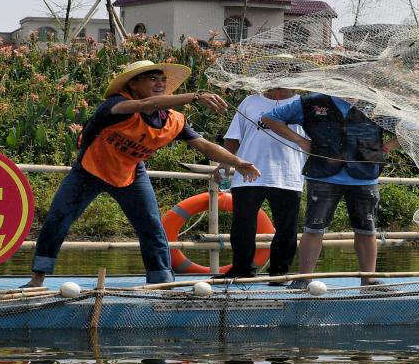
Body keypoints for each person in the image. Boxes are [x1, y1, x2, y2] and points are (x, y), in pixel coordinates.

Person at [25, 60, 261, 287]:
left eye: (162, 80)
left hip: (131, 173)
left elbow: (204, 145)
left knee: (151, 226)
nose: (159, 83)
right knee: (58, 218)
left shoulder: (173, 119)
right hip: (89, 171)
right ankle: (38, 278)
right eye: (152, 79)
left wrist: (238, 161)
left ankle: (161, 282)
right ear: (133, 85)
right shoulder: (115, 105)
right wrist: (195, 96)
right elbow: (141, 106)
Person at [261, 93, 397, 290]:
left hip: (365, 174)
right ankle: (304, 278)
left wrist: (386, 147)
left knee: (367, 230)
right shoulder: (311, 102)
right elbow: (270, 118)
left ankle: (369, 280)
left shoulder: (378, 104)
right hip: (322, 174)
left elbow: (410, 128)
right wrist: (301, 141)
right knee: (313, 228)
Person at [219, 86, 305, 283]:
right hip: (248, 171)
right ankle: (241, 269)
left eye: (289, 71)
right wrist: (224, 163)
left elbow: (314, 139)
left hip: (288, 173)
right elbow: (233, 136)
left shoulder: (304, 104)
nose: (281, 77)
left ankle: (279, 272)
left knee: (287, 227)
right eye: (274, 69)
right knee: (242, 224)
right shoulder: (250, 101)